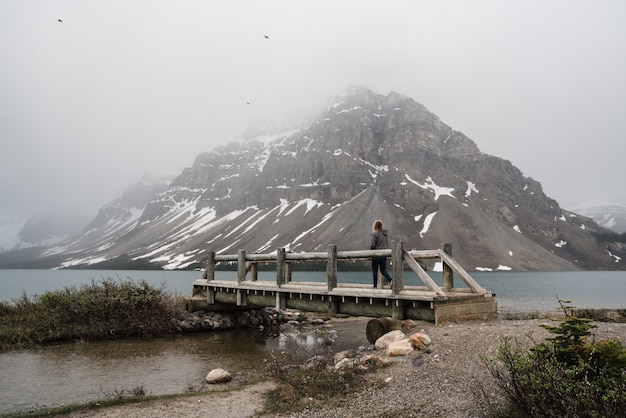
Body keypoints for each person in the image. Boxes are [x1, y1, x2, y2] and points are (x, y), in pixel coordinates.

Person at [370, 219, 392, 289]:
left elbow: (372, 244)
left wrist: (371, 251)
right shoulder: (385, 234)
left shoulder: (375, 234)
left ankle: (375, 286)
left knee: (375, 270)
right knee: (383, 270)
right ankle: (390, 280)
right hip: (384, 254)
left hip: (376, 254)